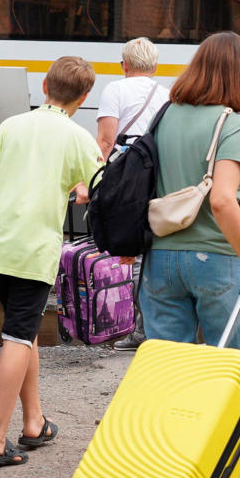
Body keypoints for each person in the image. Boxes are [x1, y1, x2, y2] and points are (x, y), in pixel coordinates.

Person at [0, 56, 103, 467]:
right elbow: (105, 190)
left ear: (44, 85)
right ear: (83, 98)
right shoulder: (78, 137)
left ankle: (34, 422)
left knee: (23, 330)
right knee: (16, 336)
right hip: (34, 249)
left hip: (0, 244)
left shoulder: (12, 125)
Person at [140, 31, 240, 478]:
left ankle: (162, 468)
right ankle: (220, 477)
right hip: (216, 264)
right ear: (239, 73)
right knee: (224, 374)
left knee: (165, 372)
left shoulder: (166, 116)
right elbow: (222, 198)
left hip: (161, 259)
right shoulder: (232, 123)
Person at [94, 37, 171, 352]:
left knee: (130, 247)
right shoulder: (166, 94)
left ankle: (141, 329)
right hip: (158, 176)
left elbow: (105, 140)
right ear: (154, 66)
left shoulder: (115, 89)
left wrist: (94, 182)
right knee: (150, 244)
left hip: (128, 178)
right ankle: (154, 325)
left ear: (124, 64)